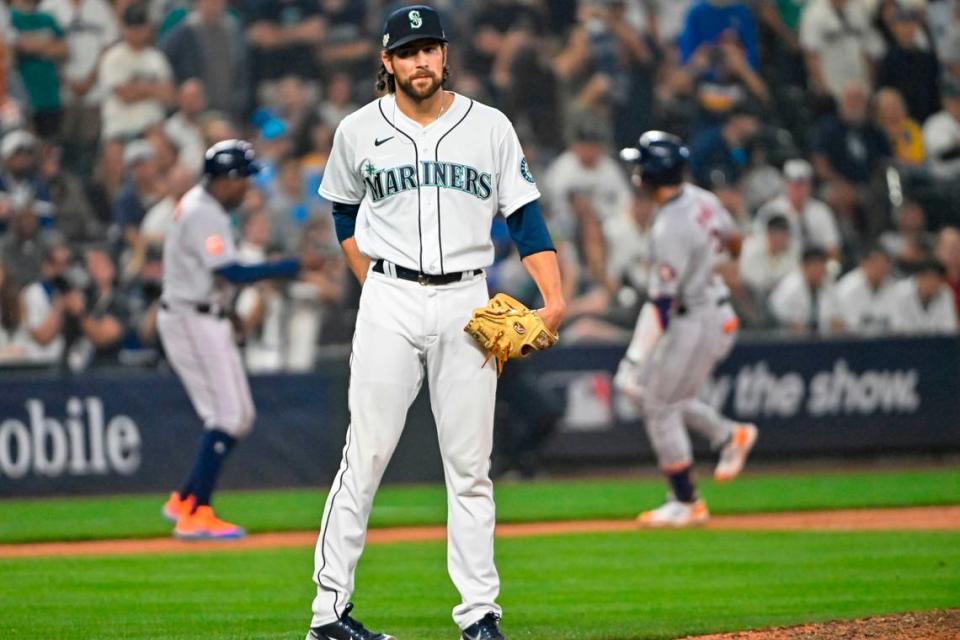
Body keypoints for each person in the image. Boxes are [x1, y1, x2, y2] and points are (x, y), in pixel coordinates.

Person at [306, 7, 565, 640]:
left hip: (468, 302)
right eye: (408, 50)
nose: (421, 60)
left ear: (445, 56)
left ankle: (479, 615)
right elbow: (343, 212)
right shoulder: (357, 130)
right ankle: (328, 616)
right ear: (387, 62)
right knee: (363, 456)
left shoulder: (490, 127)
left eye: (430, 49)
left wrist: (552, 298)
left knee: (471, 466)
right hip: (389, 297)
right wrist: (370, 281)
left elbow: (525, 219)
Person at [157, 139, 320, 540]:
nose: (247, 187)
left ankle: (185, 497)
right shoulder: (202, 212)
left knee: (239, 417)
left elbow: (213, 275)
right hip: (189, 317)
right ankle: (197, 511)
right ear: (226, 180)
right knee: (226, 418)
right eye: (243, 179)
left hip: (206, 313)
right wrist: (292, 265)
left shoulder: (206, 206)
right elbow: (232, 273)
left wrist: (230, 314)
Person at [613, 131, 758, 529]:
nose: (635, 173)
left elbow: (661, 305)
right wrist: (716, 268)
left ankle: (686, 502)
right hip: (713, 309)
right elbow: (734, 241)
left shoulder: (669, 227)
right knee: (667, 400)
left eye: (640, 167)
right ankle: (730, 435)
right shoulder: (702, 198)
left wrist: (634, 358)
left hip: (695, 319)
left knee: (659, 407)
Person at [768, 247, 843, 334]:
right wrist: (790, 324)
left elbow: (837, 316)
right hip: (788, 340)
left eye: (820, 265)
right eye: (814, 266)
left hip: (821, 340)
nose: (817, 270)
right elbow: (775, 314)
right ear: (803, 267)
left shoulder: (829, 285)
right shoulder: (790, 287)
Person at [833, 244, 896, 334]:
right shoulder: (847, 287)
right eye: (875, 264)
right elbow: (845, 325)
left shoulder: (892, 286)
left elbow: (898, 323)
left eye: (884, 264)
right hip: (853, 342)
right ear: (864, 264)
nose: (880, 269)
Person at [886, 259, 959, 334]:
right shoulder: (901, 292)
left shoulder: (946, 293)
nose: (932, 282)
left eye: (936, 278)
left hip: (937, 343)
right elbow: (897, 326)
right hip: (905, 343)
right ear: (918, 277)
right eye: (928, 277)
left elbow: (950, 327)